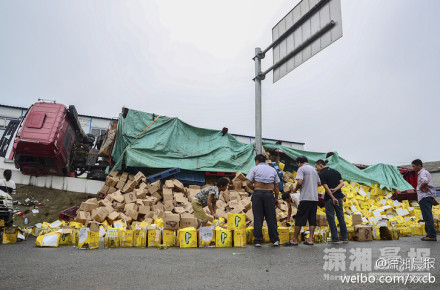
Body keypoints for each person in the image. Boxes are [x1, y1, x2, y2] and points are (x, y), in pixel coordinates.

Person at [246, 154, 280, 247]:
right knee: (271, 218)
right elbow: (276, 185)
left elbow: (248, 182)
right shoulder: (272, 170)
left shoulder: (254, 168)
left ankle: (257, 241)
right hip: (269, 195)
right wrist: (276, 198)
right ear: (265, 161)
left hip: (258, 195)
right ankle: (275, 240)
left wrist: (254, 189)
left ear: (257, 161)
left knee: (258, 218)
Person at [287, 156, 321, 246]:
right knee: (312, 219)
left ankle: (294, 240)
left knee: (300, 218)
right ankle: (310, 240)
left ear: (299, 162)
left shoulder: (301, 169)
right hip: (314, 198)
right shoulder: (314, 170)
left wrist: (295, 190)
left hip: (305, 197)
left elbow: (299, 182)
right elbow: (319, 183)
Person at [315, 159, 347, 243]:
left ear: (320, 165)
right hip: (339, 197)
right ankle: (344, 237)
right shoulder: (336, 172)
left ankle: (335, 238)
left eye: (317, 166)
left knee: (331, 218)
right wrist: (335, 190)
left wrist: (332, 197)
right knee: (341, 217)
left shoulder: (322, 174)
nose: (317, 168)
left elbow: (326, 187)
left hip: (329, 199)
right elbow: (341, 183)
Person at [411, 159, 437, 241]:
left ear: (419, 166)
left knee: (427, 216)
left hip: (425, 197)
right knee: (428, 216)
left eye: (414, 166)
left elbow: (425, 182)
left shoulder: (422, 173)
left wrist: (421, 188)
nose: (413, 168)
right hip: (428, 196)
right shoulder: (425, 172)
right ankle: (429, 234)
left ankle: (432, 235)